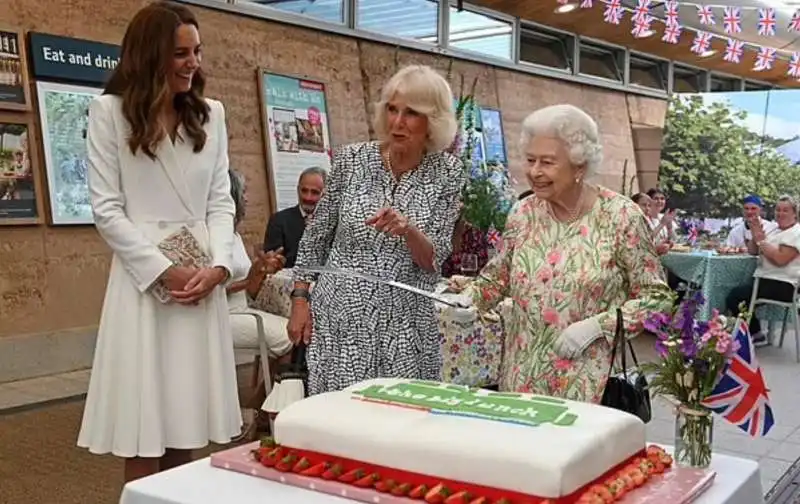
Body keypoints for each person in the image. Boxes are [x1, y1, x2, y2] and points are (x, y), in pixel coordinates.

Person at [77, 1, 241, 482]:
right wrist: (165, 271)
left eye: (197, 51)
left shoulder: (211, 115)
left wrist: (219, 268)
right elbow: (107, 210)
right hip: (145, 282)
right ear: (150, 56)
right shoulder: (109, 113)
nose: (194, 63)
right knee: (144, 426)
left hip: (201, 278)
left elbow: (221, 202)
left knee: (187, 420)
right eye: (180, 53)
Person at [453, 104, 673, 403]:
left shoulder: (621, 216)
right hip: (520, 383)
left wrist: (599, 326)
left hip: (586, 388)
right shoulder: (523, 212)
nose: (534, 172)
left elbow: (657, 300)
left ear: (580, 165)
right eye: (530, 160)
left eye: (547, 162)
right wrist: (473, 300)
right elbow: (497, 278)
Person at [287, 64, 465, 395]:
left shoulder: (448, 173)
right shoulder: (351, 160)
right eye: (392, 109)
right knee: (340, 421)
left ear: (433, 121)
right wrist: (300, 299)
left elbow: (434, 260)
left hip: (405, 324)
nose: (397, 122)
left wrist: (408, 230)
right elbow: (315, 239)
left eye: (411, 113)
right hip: (341, 319)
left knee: (399, 422)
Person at [226, 170, 292, 440]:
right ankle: (260, 407)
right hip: (222, 315)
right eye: (242, 194)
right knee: (291, 336)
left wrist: (260, 270)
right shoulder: (209, 235)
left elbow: (249, 285)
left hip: (244, 310)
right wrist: (253, 274)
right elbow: (215, 289)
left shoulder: (234, 235)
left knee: (297, 331)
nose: (246, 199)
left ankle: (261, 408)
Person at [726, 195, 800, 347]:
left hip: (783, 284)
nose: (780, 213)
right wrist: (755, 235)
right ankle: (754, 333)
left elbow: (780, 259)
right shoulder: (774, 229)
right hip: (765, 279)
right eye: (778, 210)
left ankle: (753, 333)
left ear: (795, 213)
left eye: (785, 210)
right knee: (736, 293)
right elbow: (753, 251)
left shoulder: (796, 232)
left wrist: (762, 241)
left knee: (735, 297)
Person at [263, 166, 327, 268]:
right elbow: (272, 261)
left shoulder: (333, 223)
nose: (308, 197)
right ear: (298, 190)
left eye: (315, 192)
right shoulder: (279, 221)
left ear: (325, 194)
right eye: (304, 191)